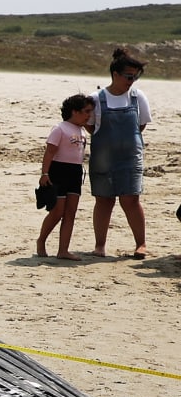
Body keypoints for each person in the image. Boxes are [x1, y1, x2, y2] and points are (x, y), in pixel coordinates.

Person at [89, 48, 151, 259]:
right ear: (115, 74)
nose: (132, 81)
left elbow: (140, 125)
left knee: (131, 200)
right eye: (128, 76)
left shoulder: (137, 96)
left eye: (135, 77)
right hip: (103, 158)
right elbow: (90, 127)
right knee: (104, 200)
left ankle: (141, 244)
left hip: (130, 157)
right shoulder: (96, 98)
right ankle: (100, 245)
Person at [36, 94, 94, 260]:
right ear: (74, 111)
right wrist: (44, 173)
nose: (89, 115)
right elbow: (50, 152)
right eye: (86, 111)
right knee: (57, 211)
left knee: (70, 212)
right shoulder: (60, 128)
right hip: (58, 171)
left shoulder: (81, 130)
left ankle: (63, 250)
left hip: (75, 172)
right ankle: (41, 241)